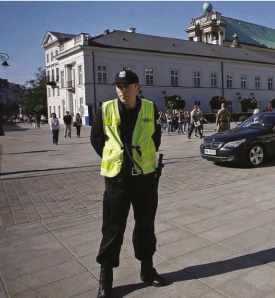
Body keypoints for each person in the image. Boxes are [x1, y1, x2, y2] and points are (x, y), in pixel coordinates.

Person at [90, 69, 165, 298]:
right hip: (117, 179)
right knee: (112, 228)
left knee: (145, 224)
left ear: (137, 87)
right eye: (119, 86)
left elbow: (156, 138)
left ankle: (147, 269)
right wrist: (118, 159)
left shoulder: (150, 108)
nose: (123, 90)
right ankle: (106, 279)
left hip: (144, 177)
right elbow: (97, 140)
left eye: (127, 86)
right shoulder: (105, 109)